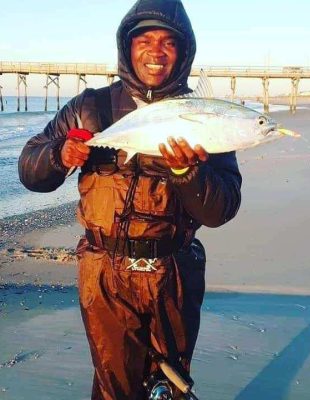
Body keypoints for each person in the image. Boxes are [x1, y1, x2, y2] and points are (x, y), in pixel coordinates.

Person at [18, 0, 242, 399]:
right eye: (145, 39)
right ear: (127, 45)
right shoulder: (91, 108)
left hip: (173, 272)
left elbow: (222, 208)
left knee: (170, 383)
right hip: (104, 273)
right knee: (113, 384)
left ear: (184, 50)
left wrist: (187, 173)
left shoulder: (203, 116)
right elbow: (30, 168)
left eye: (168, 42)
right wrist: (59, 155)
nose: (156, 52)